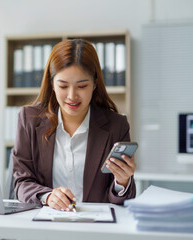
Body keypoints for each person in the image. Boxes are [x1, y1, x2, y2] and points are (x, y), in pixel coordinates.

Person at [12, 39, 136, 211]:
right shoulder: (29, 119)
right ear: (52, 84)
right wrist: (48, 197)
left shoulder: (116, 125)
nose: (72, 96)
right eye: (63, 86)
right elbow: (21, 183)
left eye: (82, 86)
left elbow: (123, 203)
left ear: (94, 84)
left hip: (94, 230)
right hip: (44, 227)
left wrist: (122, 182)